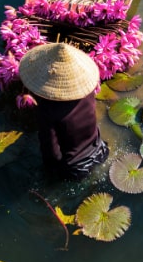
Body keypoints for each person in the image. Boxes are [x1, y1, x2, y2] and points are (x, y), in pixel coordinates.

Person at [18, 42, 109, 179]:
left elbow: (52, 153)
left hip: (75, 169)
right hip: (100, 151)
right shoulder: (86, 91)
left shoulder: (47, 110)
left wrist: (49, 172)